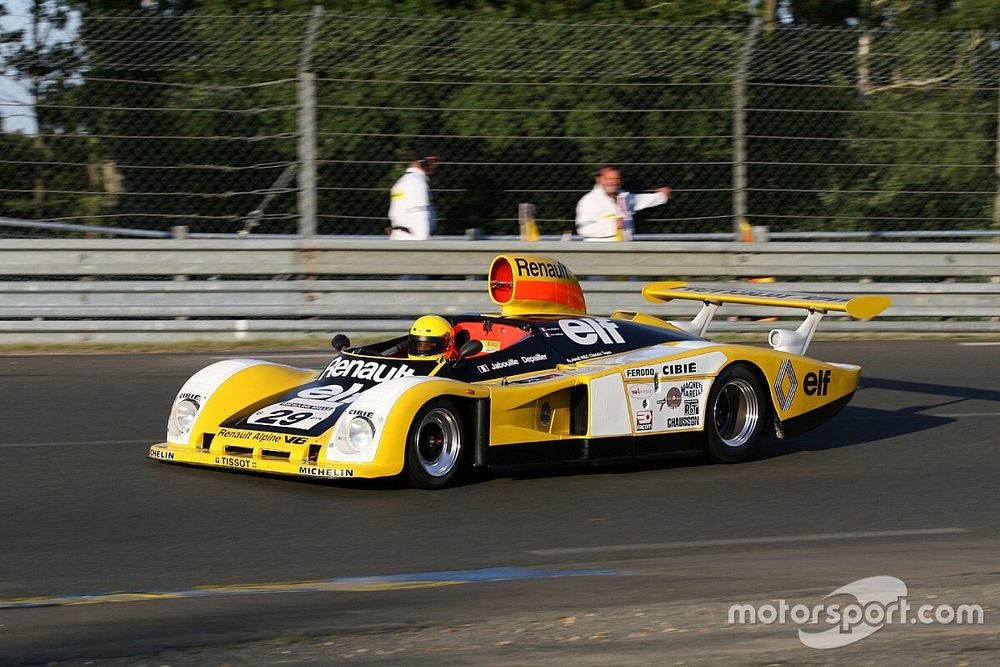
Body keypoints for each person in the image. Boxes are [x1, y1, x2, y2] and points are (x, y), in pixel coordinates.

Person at [575, 166, 671, 241]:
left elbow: (641, 200)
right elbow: (583, 230)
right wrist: (613, 225)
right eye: (609, 178)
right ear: (600, 180)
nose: (613, 182)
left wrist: (662, 196)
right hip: (601, 251)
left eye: (617, 179)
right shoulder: (589, 201)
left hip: (624, 249)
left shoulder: (624, 197)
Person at [388, 152, 438, 241]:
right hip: (413, 244)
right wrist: (425, 248)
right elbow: (421, 219)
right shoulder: (417, 183)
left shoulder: (401, 182)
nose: (435, 164)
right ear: (421, 161)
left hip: (398, 240)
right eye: (432, 161)